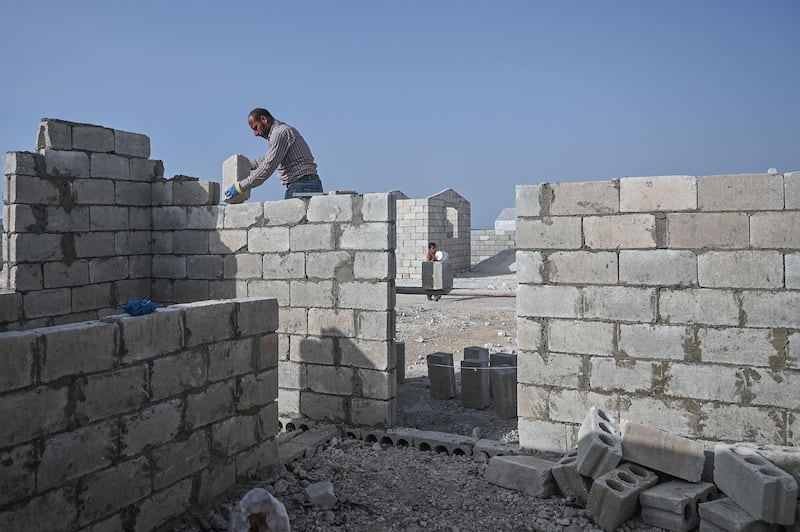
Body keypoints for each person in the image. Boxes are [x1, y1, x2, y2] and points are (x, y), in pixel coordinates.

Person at [224, 108, 323, 202]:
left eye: (255, 128)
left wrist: (240, 187)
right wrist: (248, 164)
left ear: (264, 119)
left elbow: (268, 166)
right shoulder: (280, 132)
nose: (256, 133)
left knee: (295, 219)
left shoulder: (279, 133)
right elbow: (271, 157)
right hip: (308, 184)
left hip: (302, 187)